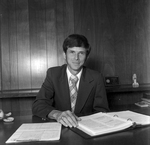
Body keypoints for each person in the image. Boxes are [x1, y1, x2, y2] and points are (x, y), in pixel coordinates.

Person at [32, 34, 109, 128]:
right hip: (60, 128)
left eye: (81, 53)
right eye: (72, 52)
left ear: (87, 57)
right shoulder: (53, 74)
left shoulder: (96, 77)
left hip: (86, 129)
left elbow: (102, 111)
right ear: (64, 55)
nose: (76, 58)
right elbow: (38, 105)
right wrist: (57, 114)